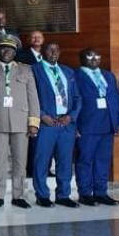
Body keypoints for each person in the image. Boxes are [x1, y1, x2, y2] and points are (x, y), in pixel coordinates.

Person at [0, 37, 40, 208]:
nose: (7, 52)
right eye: (3, 49)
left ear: (15, 52)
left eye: (10, 49)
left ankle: (18, 195)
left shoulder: (26, 70)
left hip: (21, 122)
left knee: (20, 161)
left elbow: (33, 98)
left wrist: (33, 122)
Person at [31, 42, 81, 207]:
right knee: (42, 160)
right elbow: (30, 97)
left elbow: (77, 98)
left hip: (66, 124)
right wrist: (41, 115)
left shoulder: (68, 71)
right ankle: (42, 195)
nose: (53, 52)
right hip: (47, 123)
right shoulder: (34, 70)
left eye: (56, 49)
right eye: (49, 49)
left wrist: (71, 116)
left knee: (65, 161)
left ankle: (63, 195)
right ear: (42, 52)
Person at [73, 48, 119, 206]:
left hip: (107, 124)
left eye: (97, 55)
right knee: (85, 160)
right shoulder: (75, 76)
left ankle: (101, 192)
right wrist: (75, 125)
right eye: (90, 56)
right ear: (82, 58)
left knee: (103, 160)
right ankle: (85, 193)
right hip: (87, 124)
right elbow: (73, 100)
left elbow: (117, 99)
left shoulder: (108, 75)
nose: (94, 58)